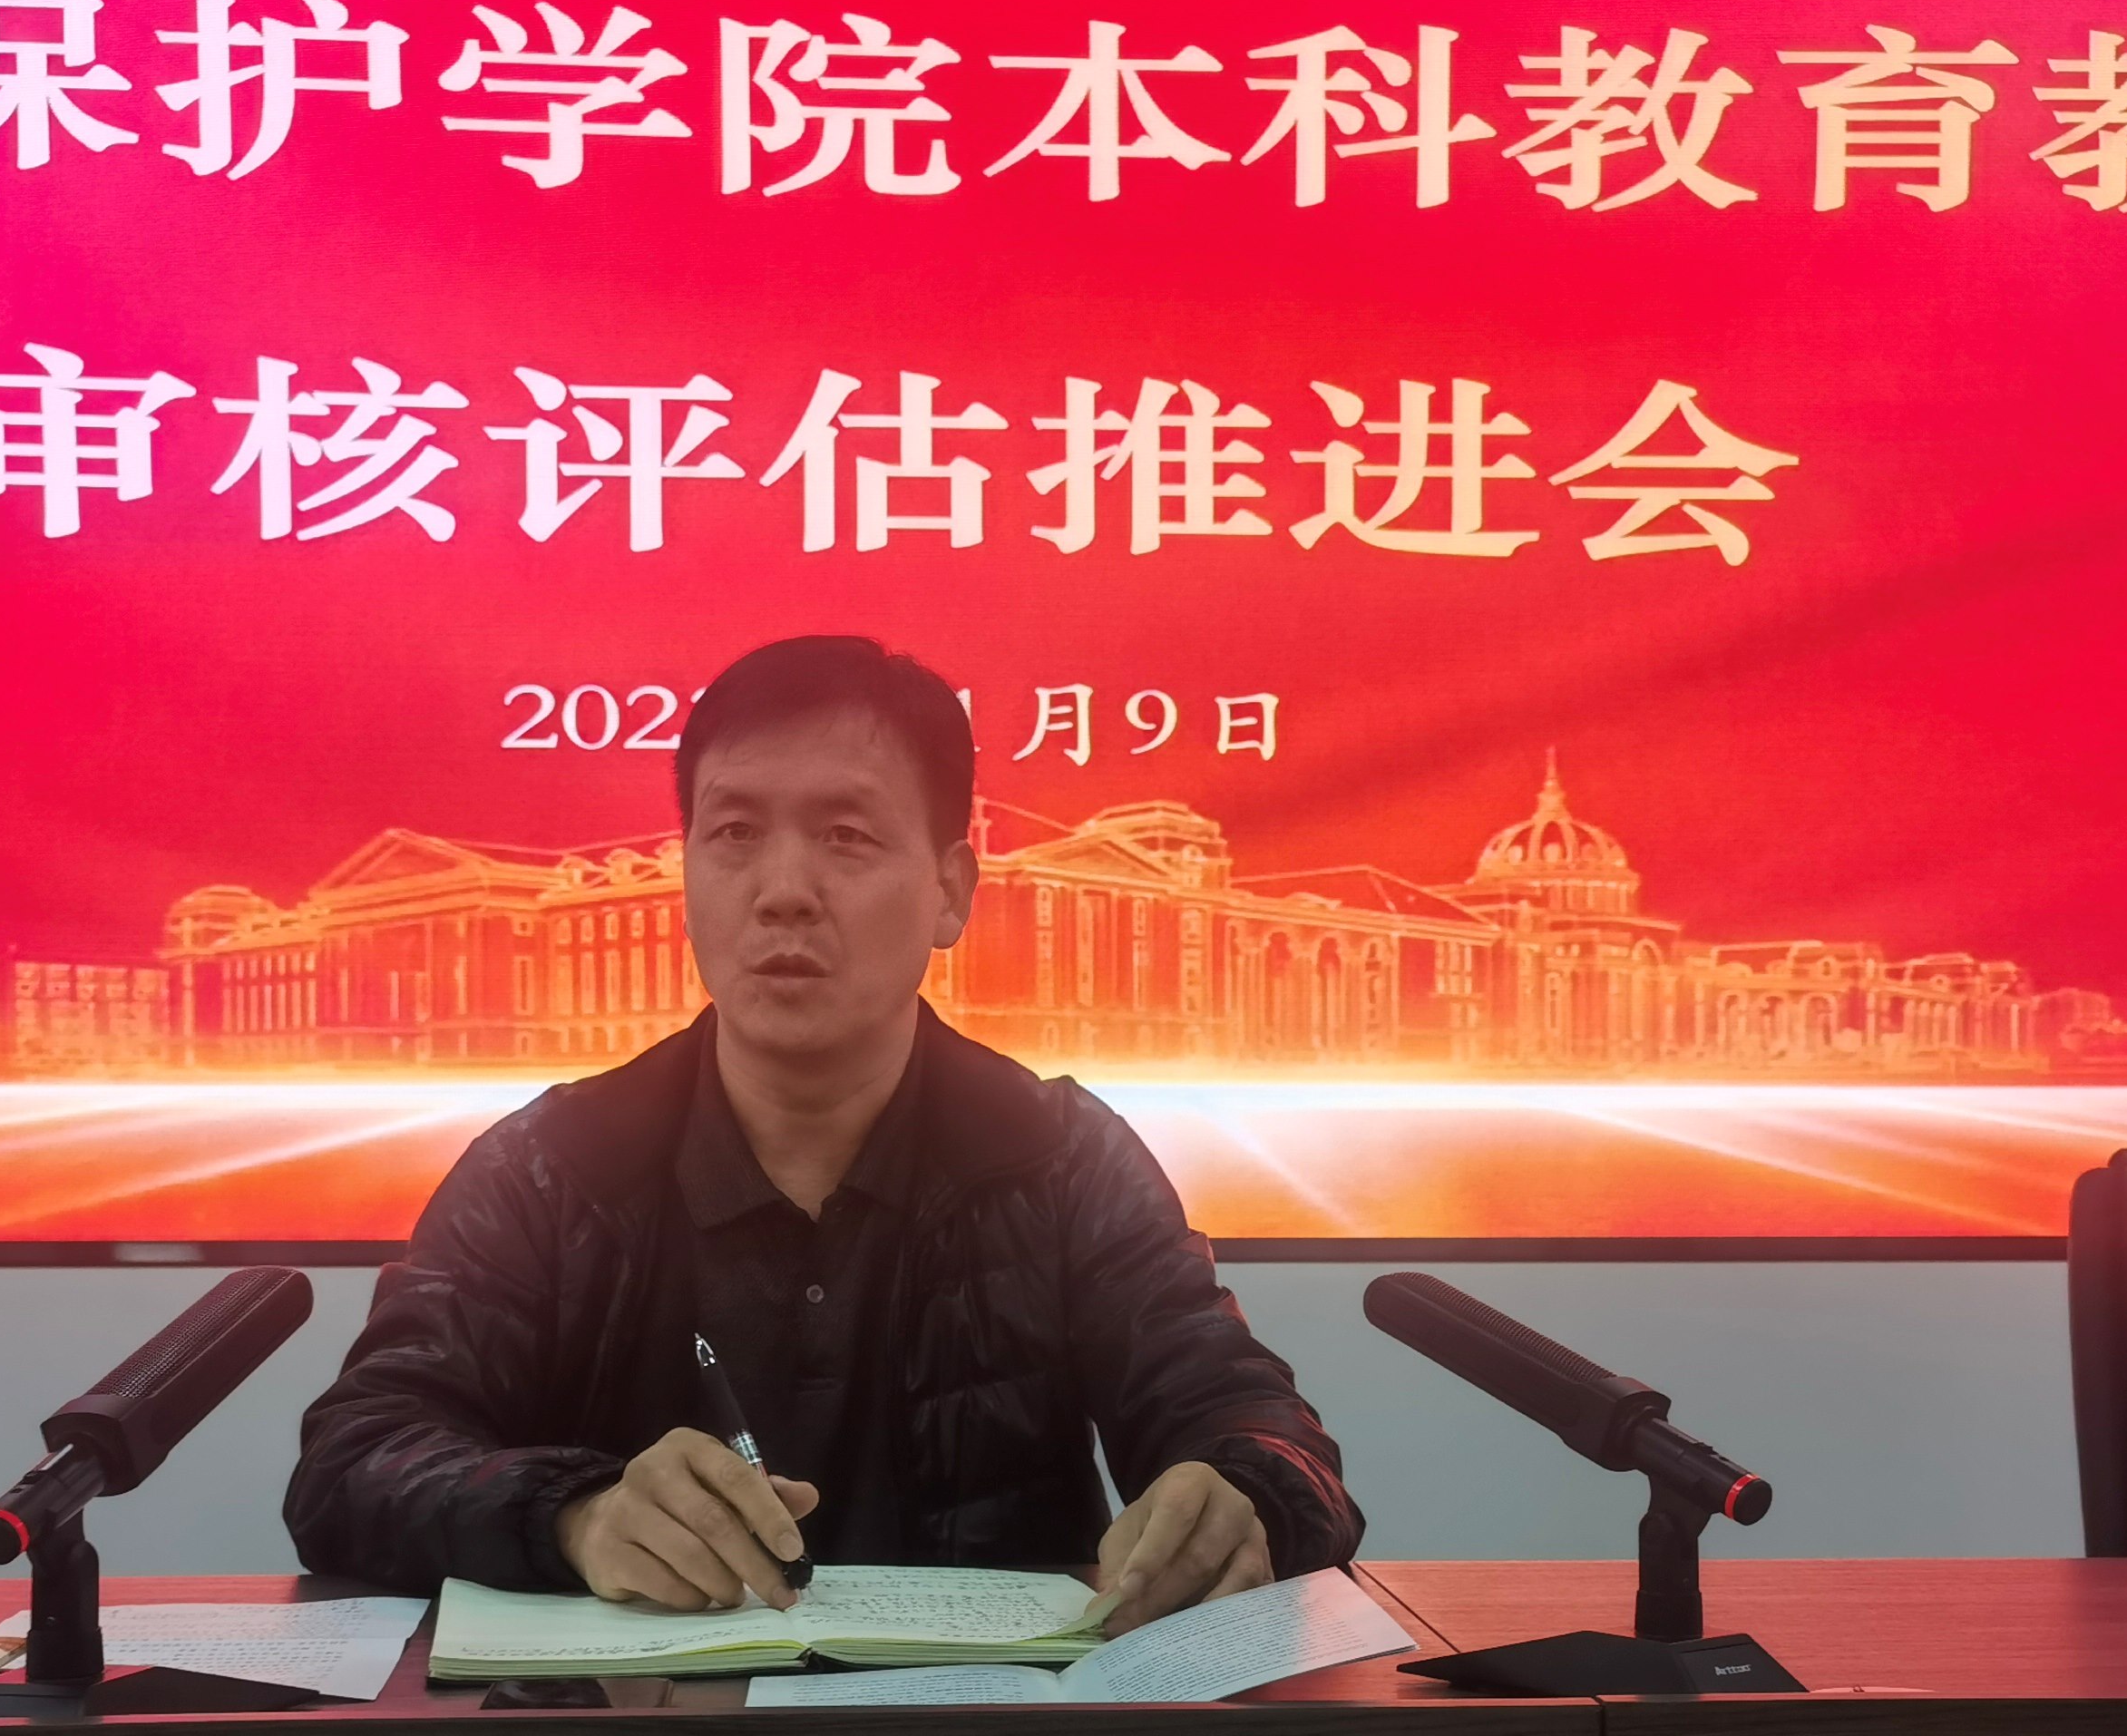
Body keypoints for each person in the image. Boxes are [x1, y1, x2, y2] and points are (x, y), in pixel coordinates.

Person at [286, 634, 1361, 1630]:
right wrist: (572, 1514)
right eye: (734, 835)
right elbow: (352, 1462)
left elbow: (1260, 1427)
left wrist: (1245, 1495)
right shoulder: (551, 1167)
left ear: (949, 892)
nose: (783, 893)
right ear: (687, 872)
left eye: (846, 837)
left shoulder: (1059, 1158)